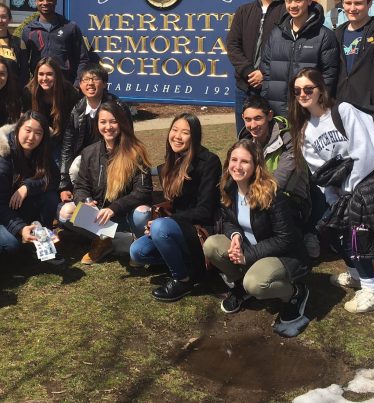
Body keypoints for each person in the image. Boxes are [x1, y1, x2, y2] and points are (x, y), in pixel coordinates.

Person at [289, 69, 374, 313]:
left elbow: (367, 152)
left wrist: (349, 192)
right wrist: (333, 199)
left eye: (308, 89)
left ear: (321, 89)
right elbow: (320, 174)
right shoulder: (305, 130)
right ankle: (356, 275)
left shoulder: (343, 111)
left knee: (356, 226)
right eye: (297, 90)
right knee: (337, 222)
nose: (303, 94)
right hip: (352, 187)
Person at [202, 139, 310, 338]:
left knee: (255, 283)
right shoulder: (229, 186)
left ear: (256, 165)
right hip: (250, 249)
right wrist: (235, 237)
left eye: (245, 161)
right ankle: (241, 286)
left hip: (282, 254)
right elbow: (228, 220)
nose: (237, 166)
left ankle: (295, 292)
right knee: (211, 245)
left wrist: (248, 255)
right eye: (234, 159)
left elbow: (285, 239)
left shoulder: (272, 194)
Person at [129, 113, 221, 301]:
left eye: (185, 132)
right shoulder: (171, 162)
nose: (177, 136)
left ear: (194, 136)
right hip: (175, 227)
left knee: (160, 227)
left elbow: (205, 211)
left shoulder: (209, 161)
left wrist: (167, 221)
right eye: (174, 130)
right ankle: (182, 262)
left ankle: (183, 279)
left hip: (200, 229)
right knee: (137, 252)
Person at [58, 101, 152, 264]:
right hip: (99, 217)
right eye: (103, 122)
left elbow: (143, 191)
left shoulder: (136, 152)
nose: (108, 127)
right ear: (97, 124)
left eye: (113, 121)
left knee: (142, 212)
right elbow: (81, 186)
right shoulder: (90, 152)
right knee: (65, 212)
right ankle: (106, 240)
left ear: (122, 123)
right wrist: (85, 201)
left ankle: (133, 243)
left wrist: (114, 208)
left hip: (124, 215)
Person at [238, 95, 316, 257]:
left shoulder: (290, 139)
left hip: (290, 200)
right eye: (248, 119)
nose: (252, 125)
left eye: (258, 118)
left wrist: (250, 196)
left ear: (270, 115)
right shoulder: (246, 141)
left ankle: (302, 240)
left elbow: (279, 180)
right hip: (257, 196)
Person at [259, 0, 338, 118]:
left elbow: (329, 76)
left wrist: (317, 106)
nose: (293, 5)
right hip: (277, 112)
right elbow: (266, 70)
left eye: (298, 0)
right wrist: (266, 101)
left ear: (308, 1)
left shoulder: (324, 35)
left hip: (309, 113)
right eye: (288, 1)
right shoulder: (276, 34)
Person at [0, 112, 60, 255]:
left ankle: (41, 237)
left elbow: (53, 178)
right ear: (18, 129)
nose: (32, 137)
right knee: (11, 244)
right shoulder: (4, 155)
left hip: (21, 207)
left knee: (50, 197)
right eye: (27, 130)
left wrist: (27, 187)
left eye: (38, 133)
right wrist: (20, 228)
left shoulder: (41, 151)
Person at [226, 0, 285, 132]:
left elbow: (288, 50)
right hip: (245, 86)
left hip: (274, 87)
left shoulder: (287, 11)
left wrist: (265, 73)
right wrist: (249, 71)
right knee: (244, 136)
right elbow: (232, 45)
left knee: (276, 135)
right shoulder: (244, 11)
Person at [60, 64, 131, 203]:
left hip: (114, 154)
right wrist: (64, 186)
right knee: (75, 169)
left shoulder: (118, 107)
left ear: (104, 84)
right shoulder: (77, 110)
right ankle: (84, 201)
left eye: (95, 79)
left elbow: (128, 137)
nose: (90, 83)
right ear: (80, 85)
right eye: (85, 80)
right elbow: (67, 147)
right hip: (87, 158)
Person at [21, 0, 91, 85]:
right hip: (40, 85)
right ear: (36, 2)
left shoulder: (70, 27)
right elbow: (23, 62)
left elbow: (82, 58)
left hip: (65, 85)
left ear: (55, 1)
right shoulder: (28, 30)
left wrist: (77, 84)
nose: (45, 3)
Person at [23, 57, 81, 162]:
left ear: (57, 75)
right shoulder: (29, 92)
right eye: (41, 74)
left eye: (49, 74)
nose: (44, 78)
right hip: (37, 138)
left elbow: (73, 125)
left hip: (62, 140)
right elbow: (24, 120)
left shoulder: (69, 92)